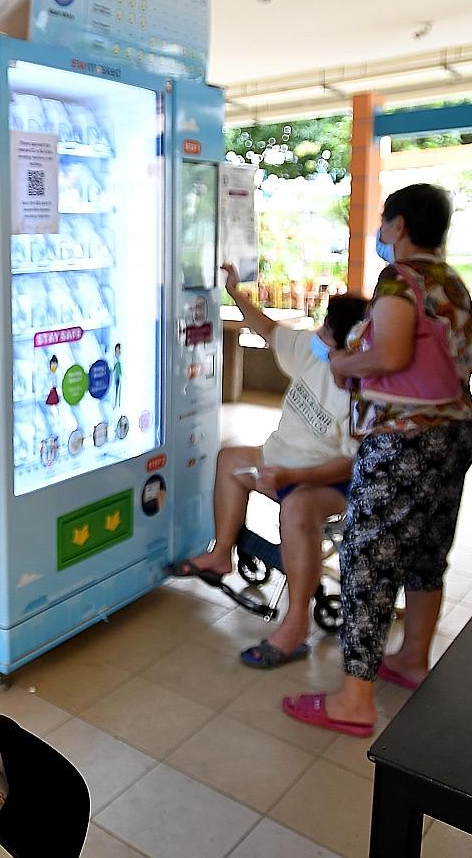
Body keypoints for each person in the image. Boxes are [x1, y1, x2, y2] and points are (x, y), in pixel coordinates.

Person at [285, 183, 472, 738]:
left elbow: (391, 354)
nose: (380, 231)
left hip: (403, 439)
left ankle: (354, 699)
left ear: (398, 226)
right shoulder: (452, 282)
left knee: (368, 558)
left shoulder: (399, 279)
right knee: (426, 550)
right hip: (454, 431)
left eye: (383, 222)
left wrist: (344, 363)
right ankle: (412, 659)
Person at [172, 264, 369, 669]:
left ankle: (295, 626)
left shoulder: (361, 394)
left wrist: (293, 477)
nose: (319, 335)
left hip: (326, 481)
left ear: (352, 346)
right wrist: (235, 292)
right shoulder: (314, 353)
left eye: (328, 331)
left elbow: (352, 464)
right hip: (280, 463)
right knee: (230, 459)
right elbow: (268, 329)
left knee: (296, 509)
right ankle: (221, 554)